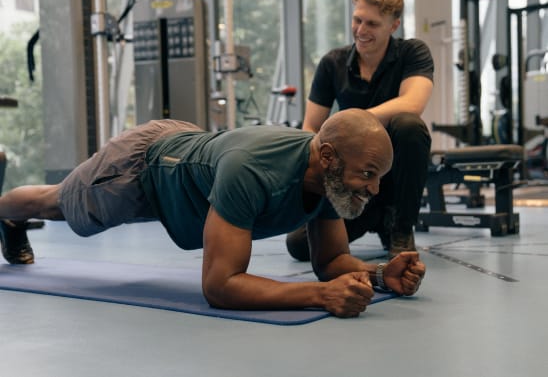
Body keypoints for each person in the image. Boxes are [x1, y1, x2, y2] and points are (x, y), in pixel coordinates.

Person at [0, 110, 425, 318]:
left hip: (191, 155)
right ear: (328, 156)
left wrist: (377, 275)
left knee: (56, 203)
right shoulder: (254, 170)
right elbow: (220, 286)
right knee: (53, 203)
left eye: (378, 179)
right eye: (367, 175)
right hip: (141, 166)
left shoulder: (327, 177)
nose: (373, 189)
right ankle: (6, 214)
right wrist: (320, 296)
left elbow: (330, 262)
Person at [286, 0, 434, 261]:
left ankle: (401, 227)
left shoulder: (413, 53)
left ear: (393, 26)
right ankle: (377, 218)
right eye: (357, 20)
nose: (361, 30)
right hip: (353, 185)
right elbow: (311, 130)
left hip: (393, 183)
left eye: (372, 24)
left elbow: (413, 103)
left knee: (409, 125)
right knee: (299, 246)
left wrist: (350, 121)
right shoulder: (333, 63)